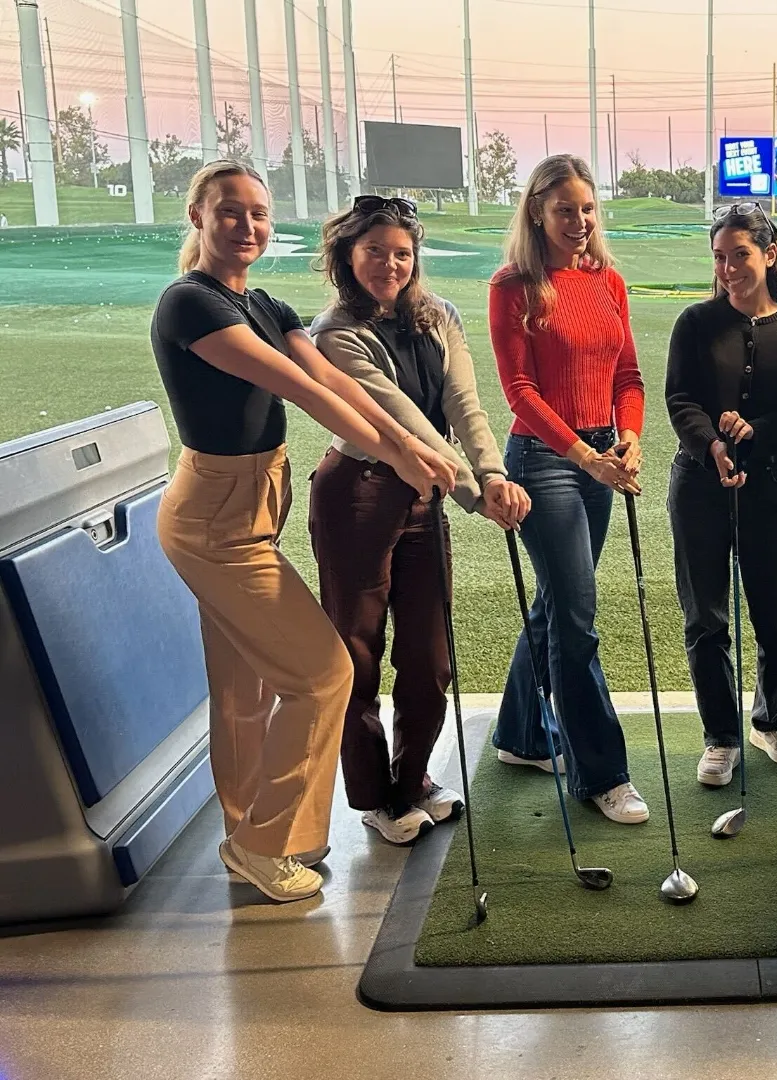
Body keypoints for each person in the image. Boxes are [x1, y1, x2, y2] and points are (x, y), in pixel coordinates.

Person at [151, 161, 456, 902]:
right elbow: (306, 391)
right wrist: (400, 454)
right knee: (323, 673)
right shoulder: (191, 304)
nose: (248, 225)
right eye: (231, 211)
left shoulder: (262, 301)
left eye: (258, 213)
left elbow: (339, 379)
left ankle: (255, 833)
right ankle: (265, 844)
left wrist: (411, 445)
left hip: (249, 510)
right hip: (213, 523)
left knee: (243, 691)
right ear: (198, 215)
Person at [308, 195, 531, 846]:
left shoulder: (441, 317)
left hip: (425, 494)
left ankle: (414, 782)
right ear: (348, 256)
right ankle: (377, 797)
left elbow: (463, 404)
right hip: (360, 492)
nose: (390, 264)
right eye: (375, 250)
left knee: (429, 655)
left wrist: (492, 473)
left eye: (402, 252)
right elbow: (402, 423)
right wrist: (475, 491)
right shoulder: (334, 333)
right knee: (358, 651)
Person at [488, 154, 650, 825]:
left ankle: (522, 737)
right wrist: (586, 456)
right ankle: (601, 774)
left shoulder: (608, 279)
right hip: (544, 459)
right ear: (537, 212)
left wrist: (629, 437)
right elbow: (519, 391)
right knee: (578, 618)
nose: (579, 221)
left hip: (600, 456)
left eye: (587, 209)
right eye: (564, 210)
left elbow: (630, 375)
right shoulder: (514, 285)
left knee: (556, 603)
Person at [665, 202, 777, 785]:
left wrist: (756, 435)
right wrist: (715, 445)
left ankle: (771, 717)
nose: (729, 268)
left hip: (768, 486)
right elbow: (681, 399)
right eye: (720, 257)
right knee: (705, 615)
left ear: (771, 252)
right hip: (700, 485)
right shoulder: (695, 323)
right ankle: (721, 734)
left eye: (741, 255)